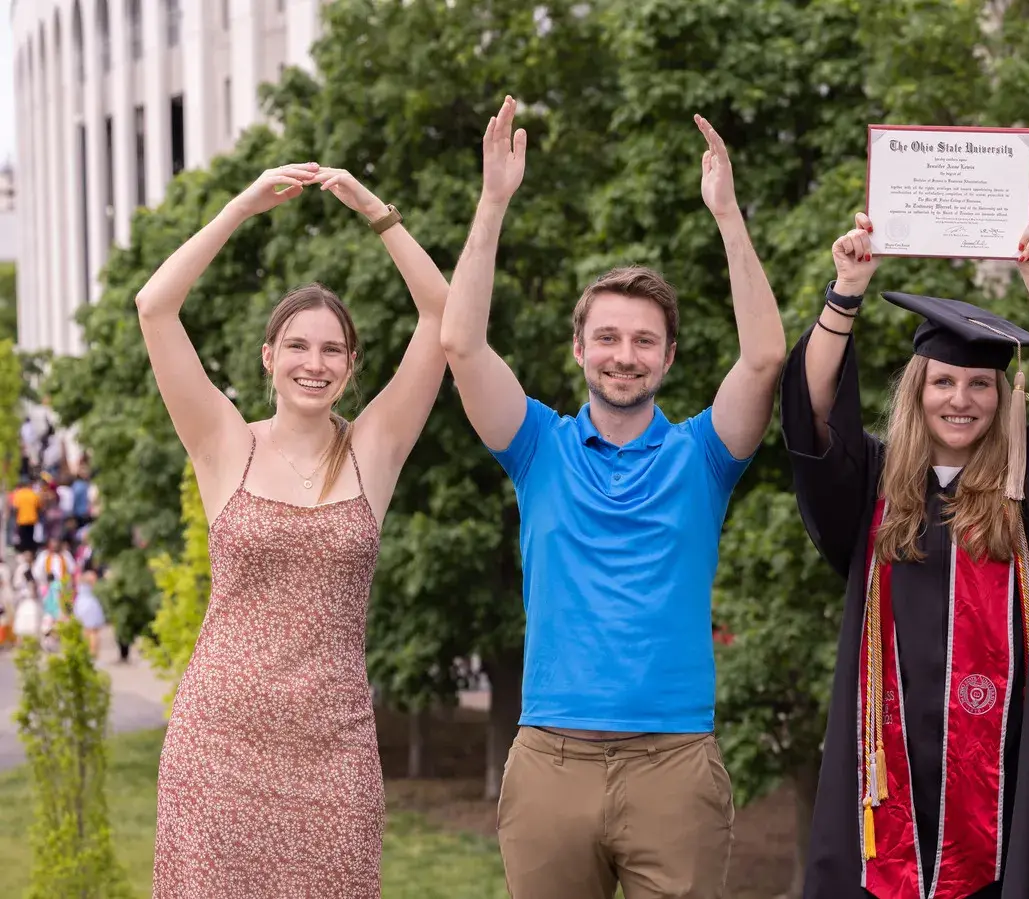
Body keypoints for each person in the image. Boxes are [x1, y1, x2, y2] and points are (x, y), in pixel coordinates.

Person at [440, 97, 783, 899]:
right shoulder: (538, 447)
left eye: (642, 340)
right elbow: (460, 342)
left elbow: (765, 357)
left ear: (667, 356)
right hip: (550, 761)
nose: (623, 355)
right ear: (580, 347)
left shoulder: (704, 453)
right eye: (607, 337)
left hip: (675, 763)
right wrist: (492, 203)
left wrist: (728, 216)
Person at [784, 196, 1029, 899]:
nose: (959, 398)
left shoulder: (1027, 498)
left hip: (999, 804)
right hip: (885, 800)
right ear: (917, 389)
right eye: (942, 381)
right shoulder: (874, 488)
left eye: (978, 384)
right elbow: (811, 419)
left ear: (1003, 397)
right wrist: (845, 292)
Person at [141, 161, 450, 896]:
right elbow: (156, 306)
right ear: (269, 358)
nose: (315, 363)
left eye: (333, 349)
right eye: (299, 347)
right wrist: (241, 208)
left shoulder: (374, 449)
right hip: (217, 747)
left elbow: (444, 315)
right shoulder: (223, 443)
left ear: (350, 366)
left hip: (333, 754)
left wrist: (378, 212)